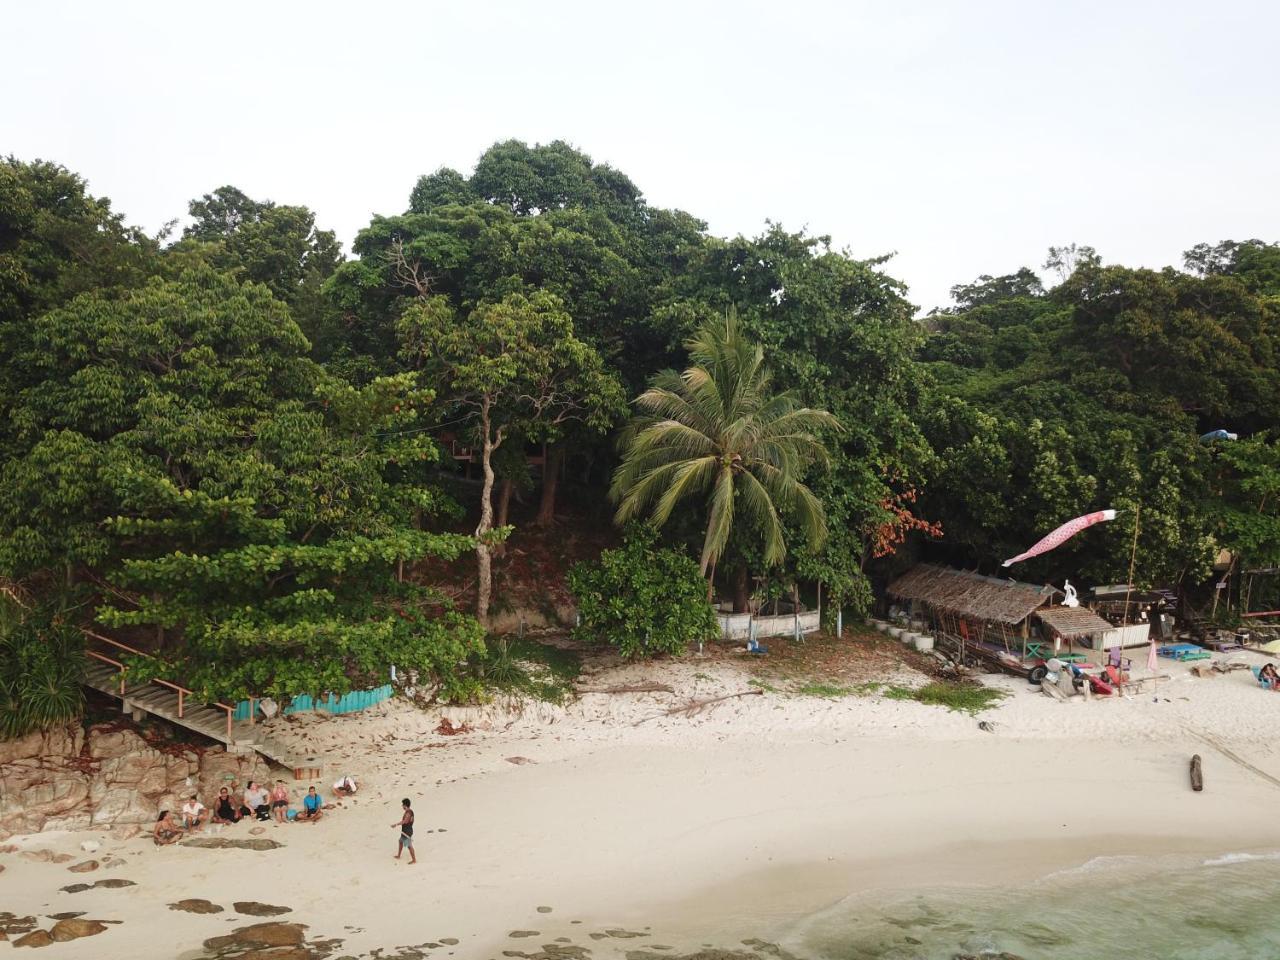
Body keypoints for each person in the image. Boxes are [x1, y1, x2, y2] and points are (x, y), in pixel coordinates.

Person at [393, 797, 416, 864]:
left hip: (407, 832)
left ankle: (414, 860)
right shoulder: (409, 811)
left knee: (409, 846)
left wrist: (396, 824)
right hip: (406, 831)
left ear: (405, 805)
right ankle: (399, 855)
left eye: (403, 804)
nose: (402, 806)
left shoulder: (408, 813)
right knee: (400, 841)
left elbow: (405, 821)